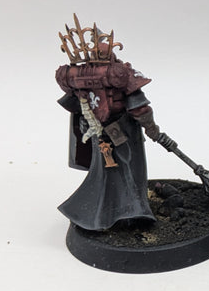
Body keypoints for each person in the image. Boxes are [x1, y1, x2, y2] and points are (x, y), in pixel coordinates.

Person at [56, 15, 159, 230]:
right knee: (129, 172)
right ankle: (132, 213)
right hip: (120, 131)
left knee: (106, 174)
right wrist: (152, 129)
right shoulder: (115, 75)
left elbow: (76, 103)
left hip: (100, 132)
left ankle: (109, 214)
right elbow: (139, 107)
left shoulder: (80, 77)